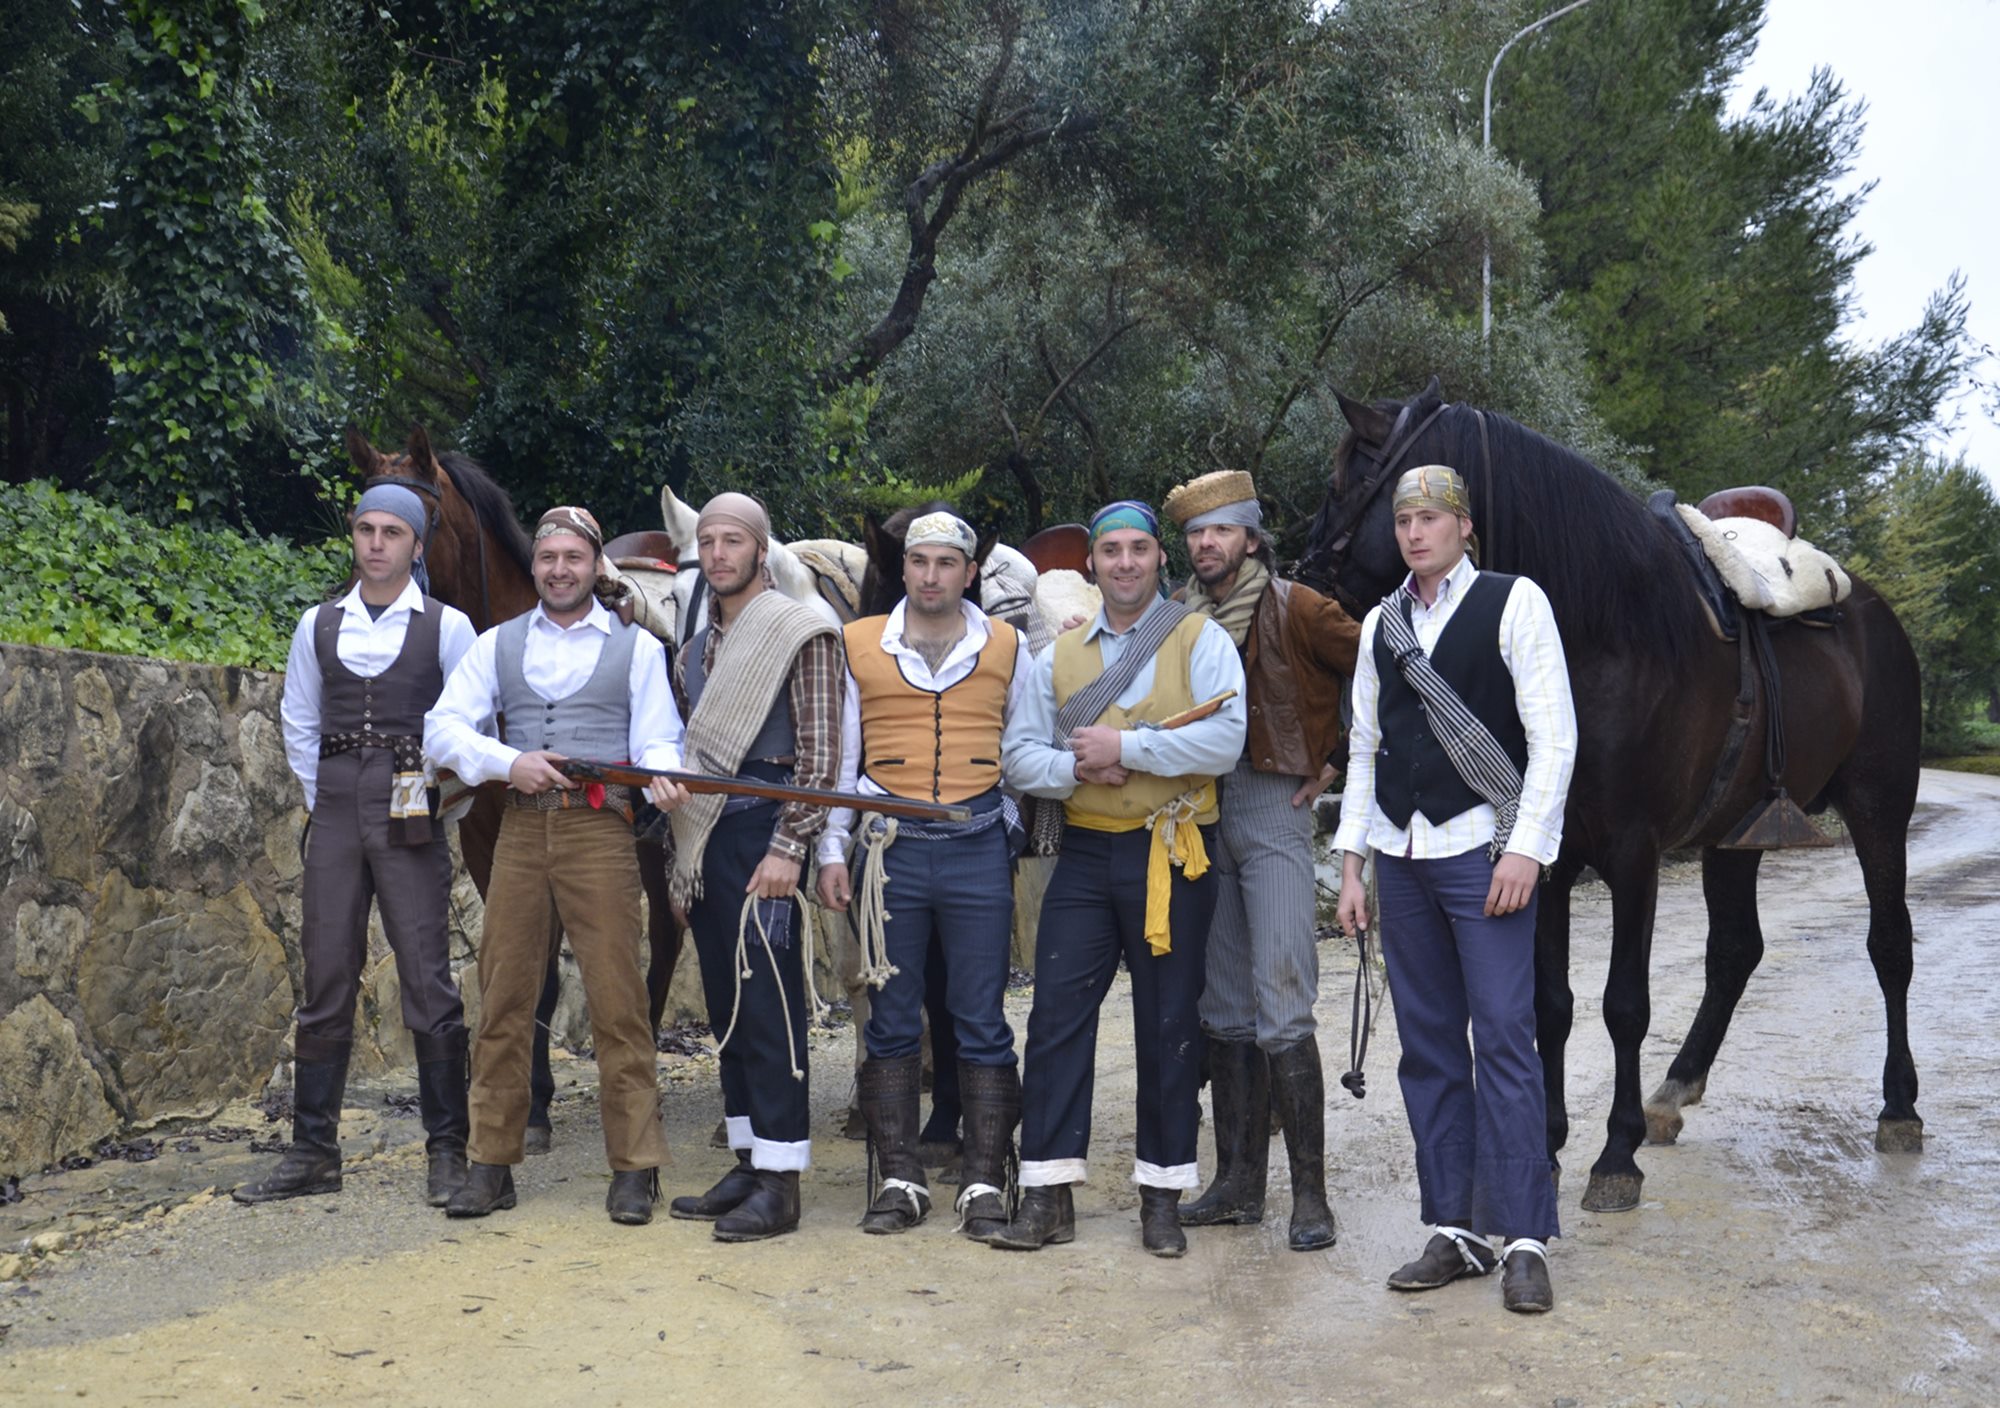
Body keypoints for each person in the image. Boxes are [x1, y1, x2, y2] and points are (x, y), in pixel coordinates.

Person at [1332, 464, 1576, 1314]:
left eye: (1432, 517)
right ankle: (1455, 1228)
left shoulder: (1516, 602)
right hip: (1399, 857)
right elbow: (1365, 747)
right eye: (1403, 518)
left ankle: (1523, 1238)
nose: (1415, 530)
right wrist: (1353, 865)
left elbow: (1554, 736)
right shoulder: (1380, 624)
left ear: (1465, 526)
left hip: (1484, 852)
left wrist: (1527, 852)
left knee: (1506, 1040)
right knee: (1429, 1048)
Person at [991, 500, 1247, 1257]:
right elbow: (1020, 759)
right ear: (1093, 565)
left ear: (1159, 559)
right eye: (1112, 552)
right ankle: (1046, 1192)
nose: (1126, 563)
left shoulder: (1199, 638)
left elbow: (1227, 741)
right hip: (1086, 856)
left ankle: (1161, 1197)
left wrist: (1125, 749)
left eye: (1139, 550)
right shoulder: (1056, 658)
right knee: (1056, 1019)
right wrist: (1080, 764)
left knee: (1168, 1026)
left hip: (1172, 856)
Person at [423, 505, 689, 1225]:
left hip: (600, 835)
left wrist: (662, 776)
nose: (560, 569)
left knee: (617, 1001)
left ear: (594, 564)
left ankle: (635, 1167)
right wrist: (509, 761)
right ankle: (490, 1164)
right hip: (518, 830)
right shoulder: (496, 645)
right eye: (548, 558)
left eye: (574, 557)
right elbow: (441, 729)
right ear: (536, 565)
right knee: (503, 996)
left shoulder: (636, 649)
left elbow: (661, 739)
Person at [238, 483, 478, 1209]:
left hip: (411, 813)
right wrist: (330, 801)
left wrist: (439, 802)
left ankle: (447, 1151)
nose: (376, 543)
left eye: (392, 533)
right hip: (337, 808)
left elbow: (471, 728)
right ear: (355, 536)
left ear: (414, 543)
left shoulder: (449, 627)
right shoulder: (317, 624)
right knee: (327, 976)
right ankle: (313, 1151)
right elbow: (298, 720)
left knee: (428, 978)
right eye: (366, 530)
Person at [815, 510, 1034, 1239]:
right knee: (892, 1015)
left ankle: (982, 1178)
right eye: (920, 562)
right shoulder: (856, 644)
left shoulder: (1007, 644)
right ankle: (900, 1177)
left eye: (947, 563)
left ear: (970, 572)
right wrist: (832, 851)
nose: (931, 575)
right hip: (887, 852)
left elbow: (1029, 744)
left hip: (976, 843)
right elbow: (843, 759)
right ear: (903, 569)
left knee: (979, 1016)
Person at [1161, 469, 1361, 1252]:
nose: (1206, 544)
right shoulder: (1175, 618)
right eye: (1195, 534)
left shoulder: (1297, 606)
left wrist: (1340, 755)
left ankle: (1310, 1195)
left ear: (1250, 537)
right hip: (1199, 814)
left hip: (1273, 805)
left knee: (1282, 992)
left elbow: (1378, 662)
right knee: (1223, 1005)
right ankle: (1239, 1184)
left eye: (1221, 531)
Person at [664, 492, 843, 1243]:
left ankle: (782, 1182)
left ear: (760, 550)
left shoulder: (802, 632)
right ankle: (747, 1158)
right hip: (708, 842)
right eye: (707, 542)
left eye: (732, 541)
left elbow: (822, 753)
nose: (717, 555)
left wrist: (789, 848)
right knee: (729, 1011)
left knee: (771, 1012)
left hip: (767, 838)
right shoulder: (693, 649)